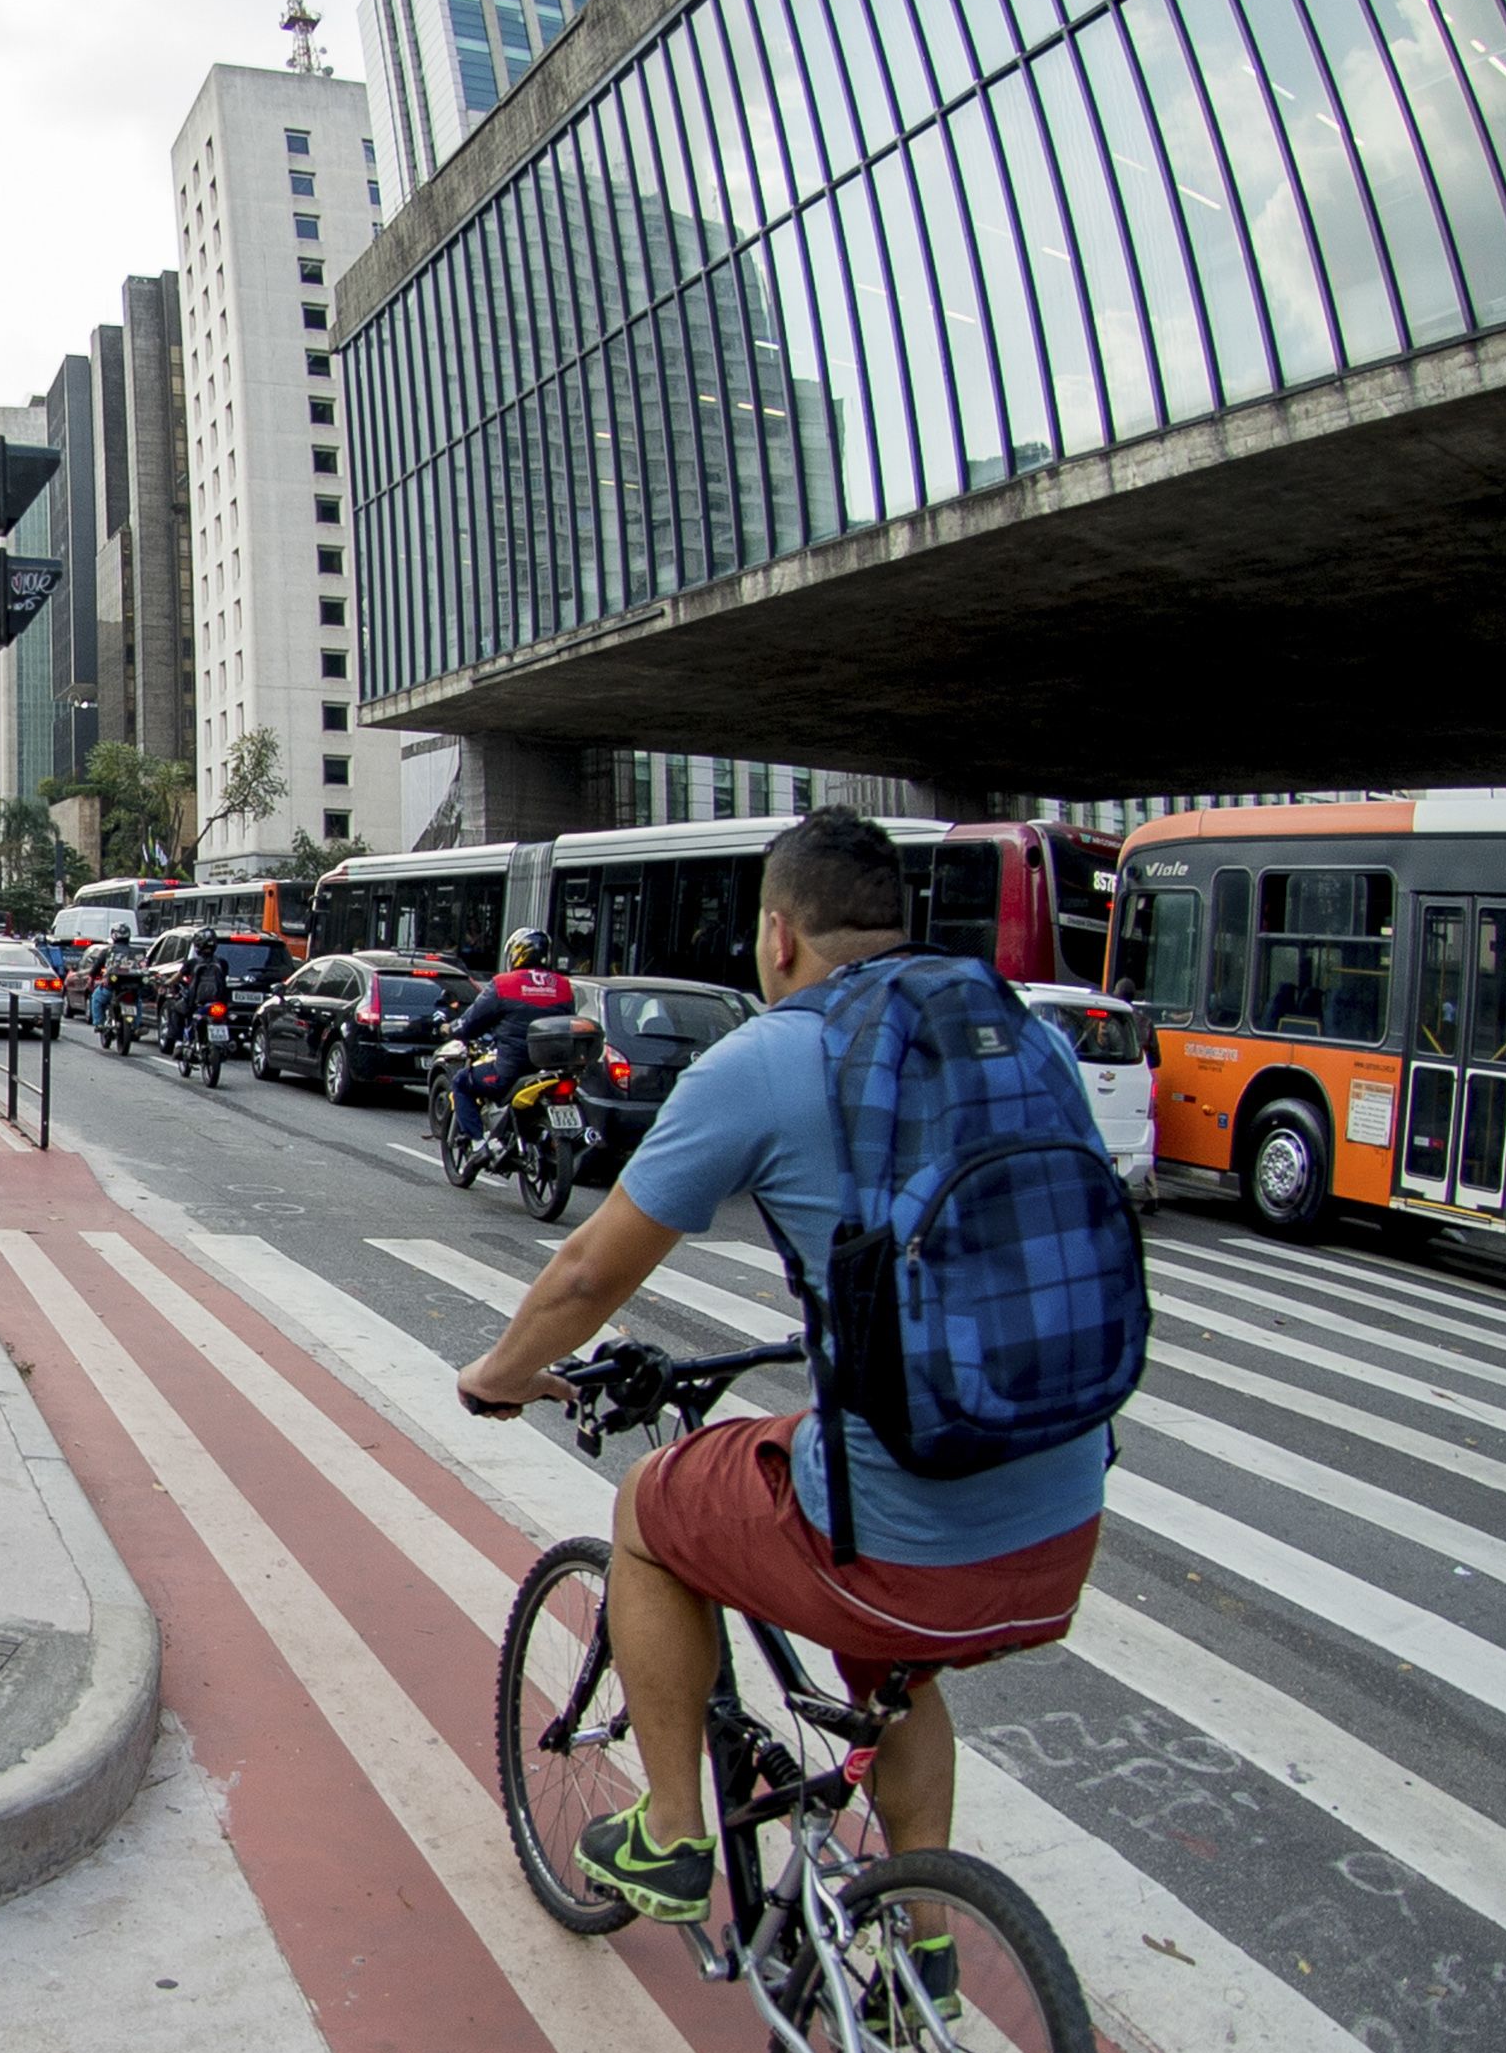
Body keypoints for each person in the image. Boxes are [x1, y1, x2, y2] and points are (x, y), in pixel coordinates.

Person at [451, 808, 1112, 1940]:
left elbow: (584, 1273)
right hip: (1062, 1526)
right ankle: (925, 1948)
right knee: (893, 1669)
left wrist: (499, 1374)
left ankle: (667, 1835)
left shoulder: (769, 1056)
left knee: (651, 1510)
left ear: (777, 936)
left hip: (906, 1545)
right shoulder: (1022, 1037)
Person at [443, 928, 576, 1145]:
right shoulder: (563, 985)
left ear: (517, 953)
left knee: (460, 1082)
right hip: (550, 1068)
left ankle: (478, 1143)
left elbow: (470, 1022)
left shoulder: (504, 983)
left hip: (512, 1070)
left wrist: (450, 1029)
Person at [162, 929, 231, 1054]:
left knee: (175, 1009)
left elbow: (176, 978)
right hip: (219, 1002)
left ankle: (178, 1042)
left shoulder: (192, 963)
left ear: (197, 946)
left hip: (195, 1003)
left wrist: (166, 983)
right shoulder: (223, 963)